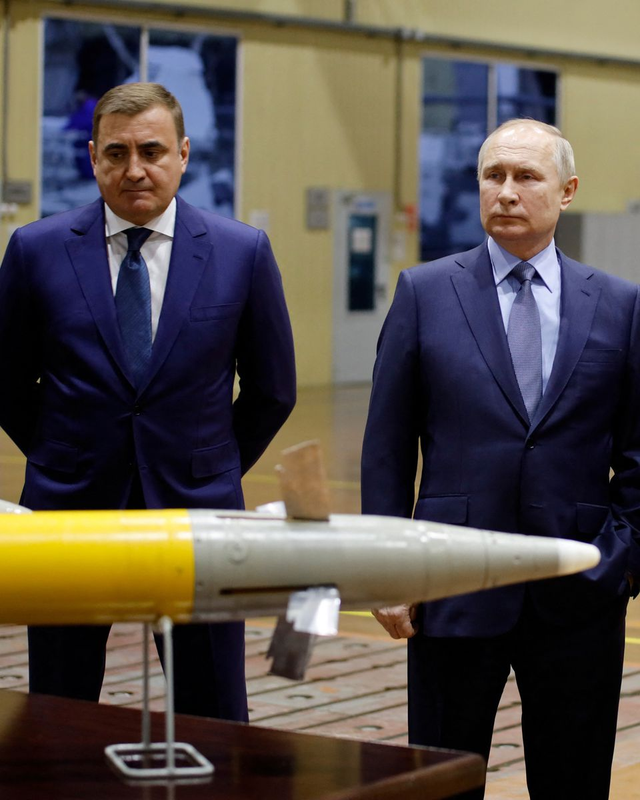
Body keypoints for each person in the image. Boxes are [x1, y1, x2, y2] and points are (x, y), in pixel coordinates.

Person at [361, 119, 640, 799]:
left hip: (578, 588)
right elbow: (388, 445)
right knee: (441, 781)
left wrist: (621, 560)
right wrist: (384, 570)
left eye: (526, 176)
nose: (507, 191)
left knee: (573, 781)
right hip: (452, 586)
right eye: (494, 175)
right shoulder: (425, 293)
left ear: (567, 190)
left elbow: (637, 451)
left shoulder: (619, 304)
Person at [0, 82, 296, 721]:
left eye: (152, 151)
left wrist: (209, 464)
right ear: (93, 158)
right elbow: (7, 382)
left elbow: (273, 389)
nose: (134, 169)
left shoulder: (241, 252)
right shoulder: (35, 250)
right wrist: (63, 456)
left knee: (213, 713)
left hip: (198, 517)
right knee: (60, 709)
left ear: (183, 154)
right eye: (117, 153)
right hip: (70, 515)